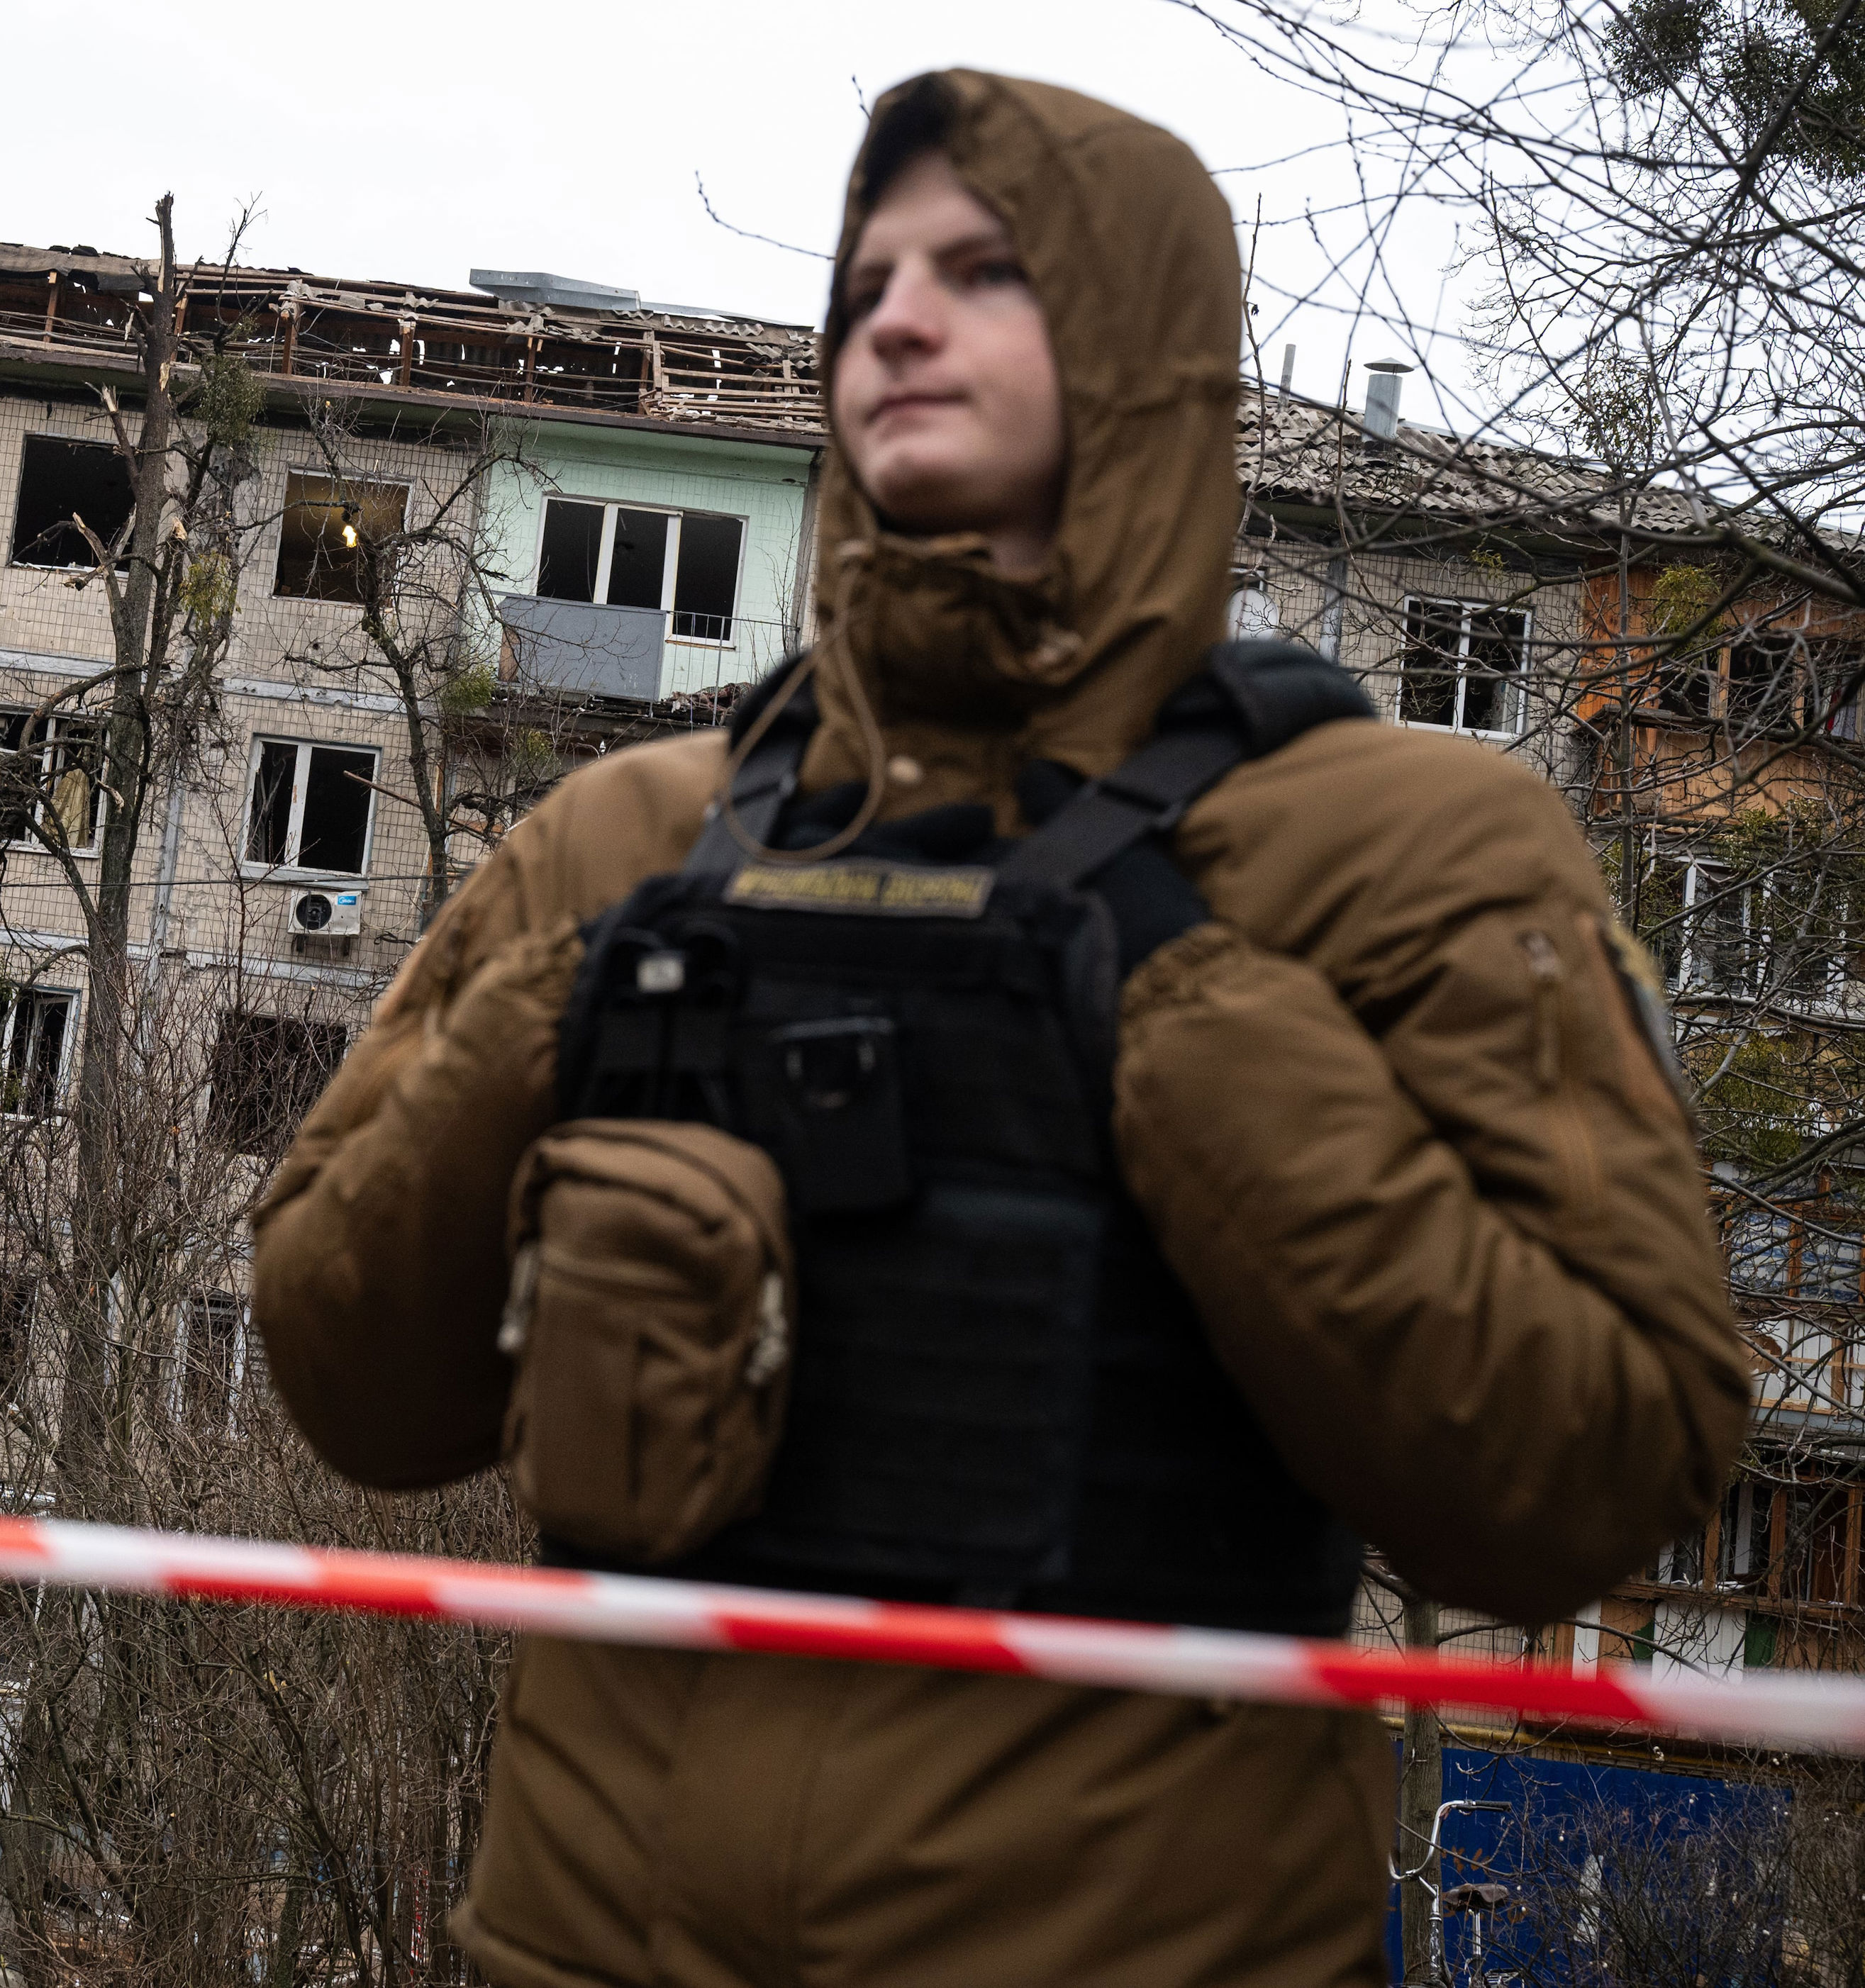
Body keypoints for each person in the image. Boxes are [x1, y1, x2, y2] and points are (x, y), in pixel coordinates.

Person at [251, 69, 1747, 1988]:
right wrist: (571, 1001)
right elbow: (345, 1384)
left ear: (1139, 350)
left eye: (980, 271)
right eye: (864, 283)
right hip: (581, 1943)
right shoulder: (628, 837)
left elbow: (1597, 1473)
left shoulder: (1401, 845)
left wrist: (1184, 1022)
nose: (893, 320)